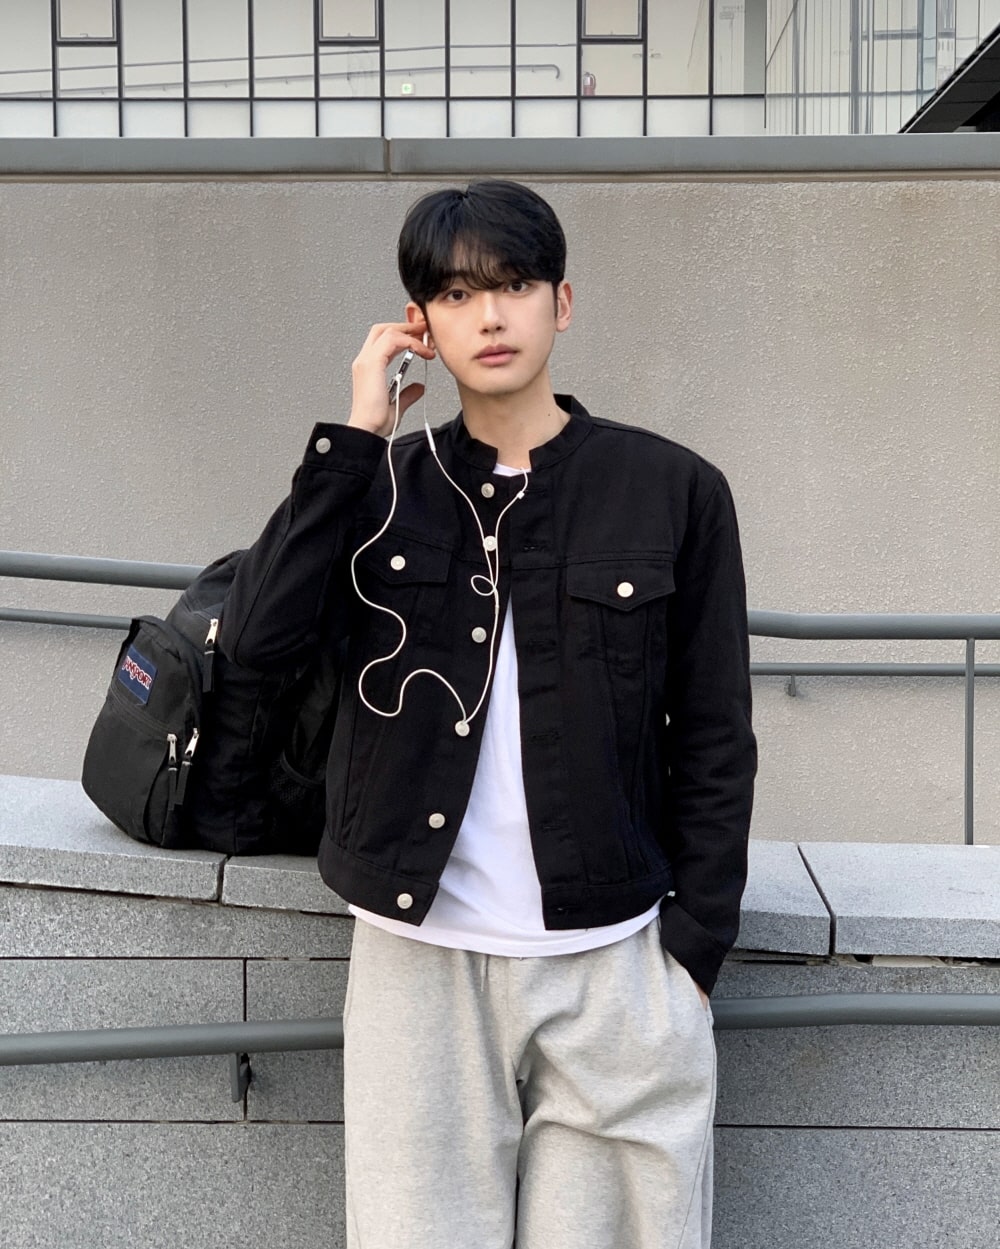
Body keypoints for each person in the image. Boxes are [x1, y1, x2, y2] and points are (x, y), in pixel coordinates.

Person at [219, 179, 757, 1249]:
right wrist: (358, 430)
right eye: (458, 294)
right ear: (420, 322)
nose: (491, 315)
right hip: (419, 963)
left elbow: (713, 732)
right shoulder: (382, 486)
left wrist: (693, 953)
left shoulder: (673, 490)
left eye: (514, 285)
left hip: (615, 963)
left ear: (564, 302)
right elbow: (256, 645)